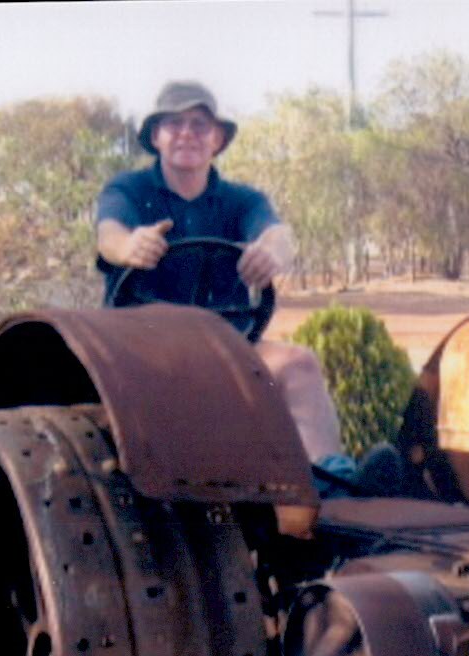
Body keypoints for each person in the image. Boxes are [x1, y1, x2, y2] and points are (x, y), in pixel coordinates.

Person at [97, 80, 402, 494]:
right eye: (175, 124)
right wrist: (130, 246)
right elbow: (109, 235)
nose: (187, 133)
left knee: (299, 365)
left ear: (218, 139)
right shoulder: (128, 191)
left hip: (225, 350)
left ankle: (335, 493)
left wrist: (270, 251)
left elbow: (277, 235)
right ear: (156, 136)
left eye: (200, 125)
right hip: (145, 356)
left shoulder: (242, 200)